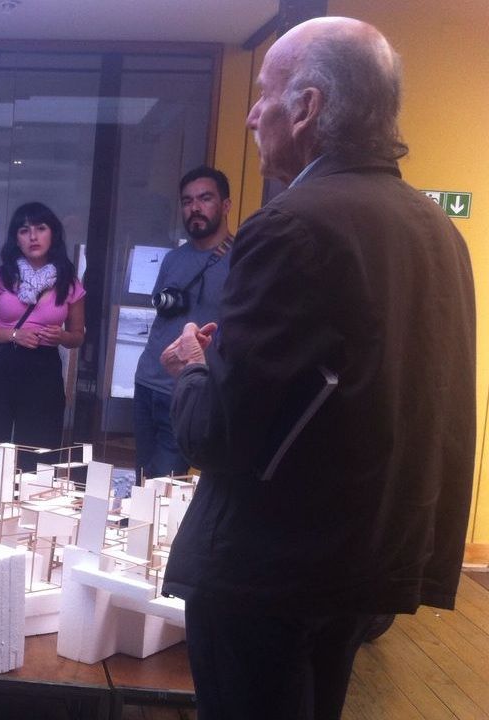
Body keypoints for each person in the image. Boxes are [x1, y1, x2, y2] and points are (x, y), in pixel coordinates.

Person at [159, 17, 475, 720]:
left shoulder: (291, 224)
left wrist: (192, 368)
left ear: (306, 108)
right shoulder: (437, 231)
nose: (251, 114)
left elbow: (217, 433)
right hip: (366, 561)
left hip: (269, 572)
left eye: (264, 93)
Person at [0, 202, 85, 480]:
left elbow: (78, 336)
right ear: (15, 238)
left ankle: (29, 504)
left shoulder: (69, 283)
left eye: (40, 229)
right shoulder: (0, 276)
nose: (33, 237)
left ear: (53, 234)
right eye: (24, 230)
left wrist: (62, 336)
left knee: (39, 451)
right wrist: (14, 334)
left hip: (43, 369)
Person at [132, 167, 232, 480]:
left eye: (205, 198)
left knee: (163, 484)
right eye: (187, 201)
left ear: (225, 205)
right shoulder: (173, 259)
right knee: (142, 481)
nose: (195, 208)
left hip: (189, 389)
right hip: (147, 382)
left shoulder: (241, 260)